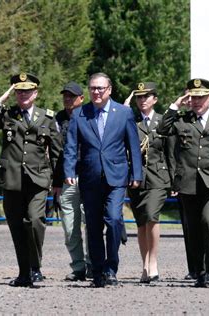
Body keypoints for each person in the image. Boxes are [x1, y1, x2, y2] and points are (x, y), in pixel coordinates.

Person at [0, 73, 62, 287]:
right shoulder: (7, 114)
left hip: (38, 179)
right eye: (19, 91)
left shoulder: (47, 117)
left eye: (27, 91)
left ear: (36, 93)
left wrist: (57, 182)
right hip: (12, 179)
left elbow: (58, 152)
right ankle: (24, 272)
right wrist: (1, 99)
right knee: (16, 226)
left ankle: (35, 266)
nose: (23, 94)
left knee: (34, 222)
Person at [157, 78, 209, 288]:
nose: (196, 102)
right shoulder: (182, 118)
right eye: (193, 98)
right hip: (188, 181)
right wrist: (175, 105)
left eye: (201, 98)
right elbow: (161, 129)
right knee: (193, 227)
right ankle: (199, 269)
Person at [64, 72, 142, 288]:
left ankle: (111, 266)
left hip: (116, 176)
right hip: (89, 177)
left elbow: (132, 146)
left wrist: (137, 174)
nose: (96, 92)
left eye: (100, 88)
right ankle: (98, 271)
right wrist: (69, 171)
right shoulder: (79, 114)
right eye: (93, 88)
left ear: (109, 89)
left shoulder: (124, 113)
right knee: (93, 225)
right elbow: (71, 146)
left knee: (115, 219)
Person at [124, 82, 175, 283]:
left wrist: (173, 181)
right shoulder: (131, 121)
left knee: (152, 215)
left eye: (146, 96)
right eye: (139, 97)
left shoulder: (163, 121)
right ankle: (145, 263)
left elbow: (171, 152)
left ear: (155, 99)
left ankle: (153, 262)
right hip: (136, 179)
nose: (142, 100)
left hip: (158, 177)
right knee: (141, 222)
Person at [52, 81, 91, 281]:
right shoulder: (57, 119)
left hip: (88, 176)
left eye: (72, 96)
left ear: (81, 98)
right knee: (69, 227)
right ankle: (78, 267)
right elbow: (54, 153)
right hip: (67, 179)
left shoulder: (89, 115)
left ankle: (93, 264)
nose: (68, 99)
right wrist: (56, 182)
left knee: (90, 223)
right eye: (65, 95)